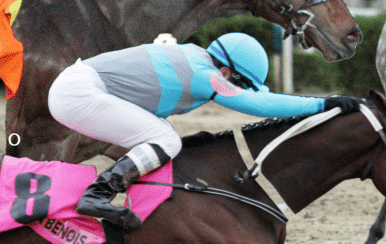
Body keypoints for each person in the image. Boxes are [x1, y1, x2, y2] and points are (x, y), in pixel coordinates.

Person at [48, 32, 362, 229]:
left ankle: (128, 195)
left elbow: (259, 97)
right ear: (225, 71)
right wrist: (322, 103)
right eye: (239, 82)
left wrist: (323, 103)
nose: (238, 88)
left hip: (77, 87)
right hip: (78, 93)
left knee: (161, 133)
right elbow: (256, 105)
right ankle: (97, 195)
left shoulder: (198, 58)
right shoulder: (204, 75)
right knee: (165, 139)